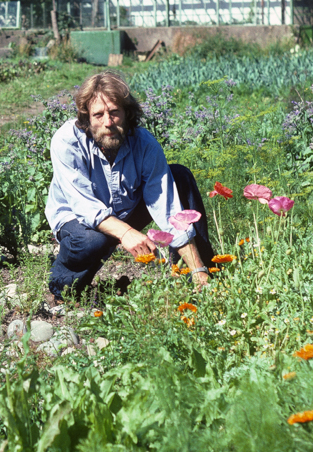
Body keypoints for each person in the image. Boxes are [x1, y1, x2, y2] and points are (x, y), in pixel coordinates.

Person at [45, 71, 214, 299]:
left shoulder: (144, 144)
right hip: (77, 218)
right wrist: (126, 233)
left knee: (179, 177)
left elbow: (168, 208)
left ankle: (200, 275)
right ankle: (63, 286)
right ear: (86, 118)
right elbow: (84, 208)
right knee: (93, 240)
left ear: (127, 113)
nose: (108, 122)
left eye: (114, 112)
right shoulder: (67, 141)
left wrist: (198, 270)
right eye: (98, 115)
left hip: (125, 209)